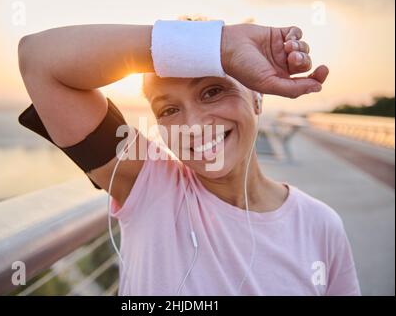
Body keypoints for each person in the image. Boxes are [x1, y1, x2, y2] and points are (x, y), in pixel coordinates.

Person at [18, 20, 360, 295]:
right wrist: (218, 44)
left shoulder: (321, 226)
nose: (194, 126)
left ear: (257, 98)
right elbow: (38, 58)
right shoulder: (147, 183)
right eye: (168, 109)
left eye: (212, 91)